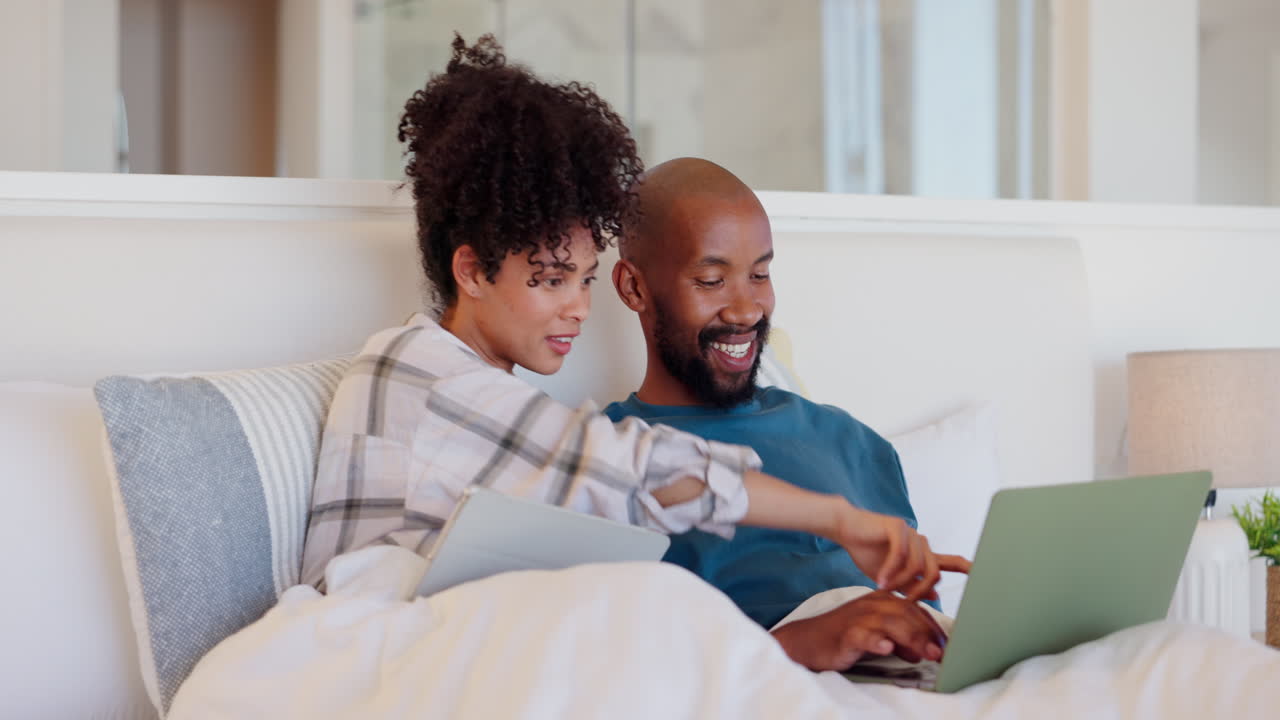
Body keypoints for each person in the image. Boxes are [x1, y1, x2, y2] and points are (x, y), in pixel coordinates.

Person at [299, 36, 952, 624]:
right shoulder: (411, 366)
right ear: (470, 270)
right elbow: (636, 472)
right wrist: (839, 518)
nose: (580, 308)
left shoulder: (492, 412)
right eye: (552, 279)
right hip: (366, 656)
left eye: (584, 279)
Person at [605, 156, 970, 671]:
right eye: (711, 281)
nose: (746, 310)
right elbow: (629, 668)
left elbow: (919, 619)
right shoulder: (605, 460)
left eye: (760, 274)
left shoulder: (852, 440)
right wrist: (799, 645)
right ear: (634, 288)